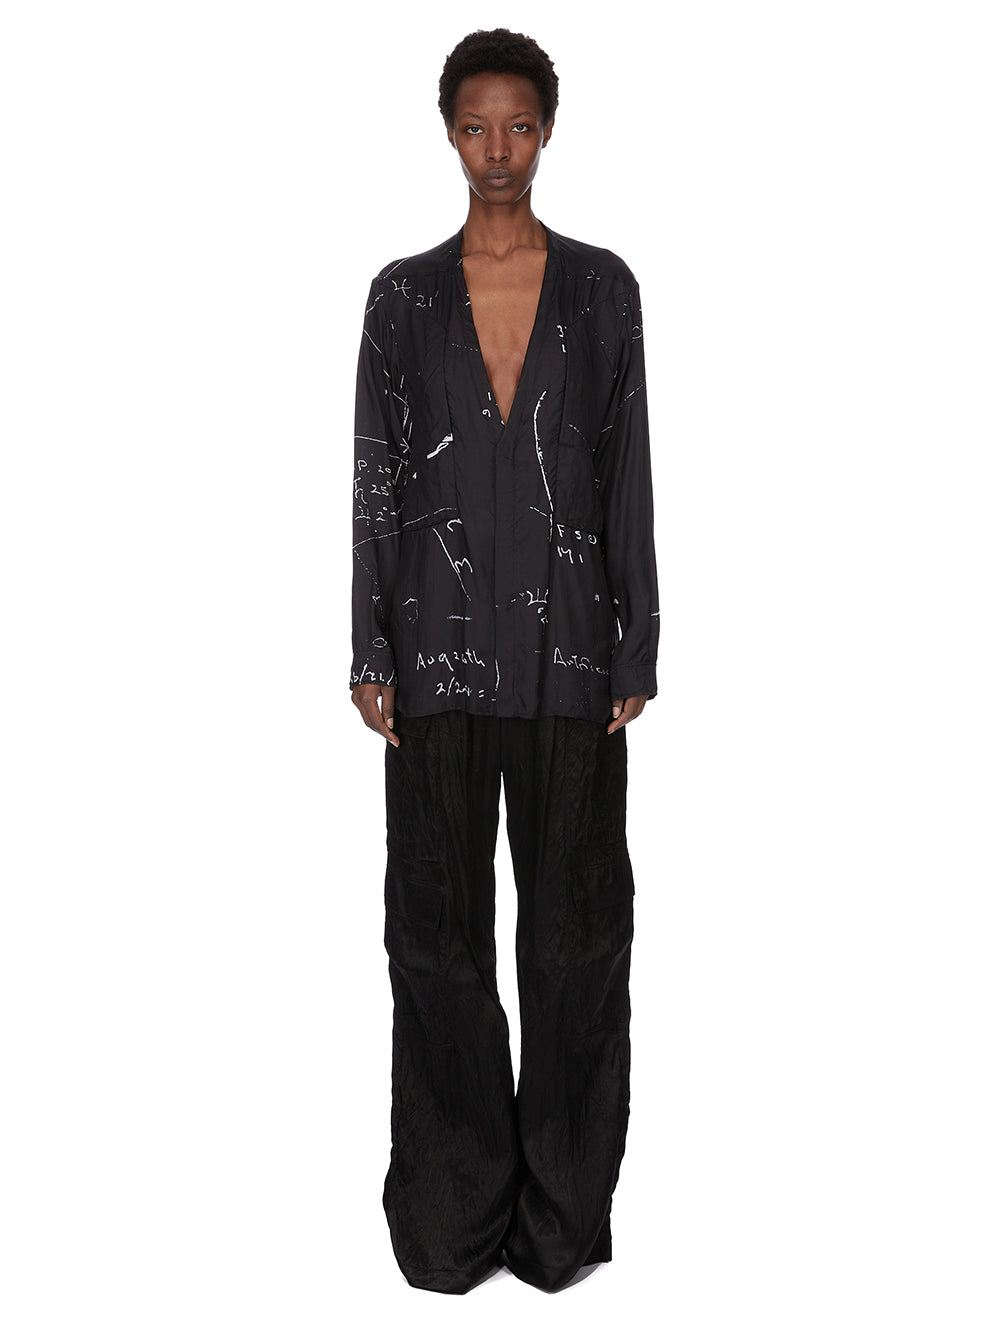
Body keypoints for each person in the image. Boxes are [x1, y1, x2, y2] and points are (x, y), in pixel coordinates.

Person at [350, 27, 659, 1295]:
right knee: (434, 938)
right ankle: (451, 1212)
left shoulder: (602, 290)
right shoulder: (400, 298)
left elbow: (626, 467)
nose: (497, 150)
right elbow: (375, 475)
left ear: (547, 131)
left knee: (577, 939)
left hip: (573, 654)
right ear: (447, 132)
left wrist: (638, 635)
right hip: (432, 655)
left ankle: (559, 1218)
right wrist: (367, 644)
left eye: (517, 126)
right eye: (475, 126)